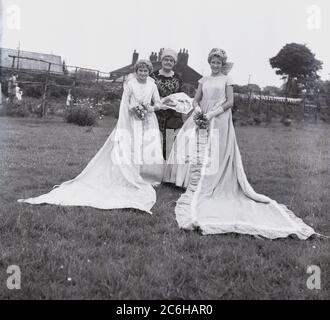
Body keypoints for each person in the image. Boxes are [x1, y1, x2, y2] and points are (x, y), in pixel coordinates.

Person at [166, 48, 316, 239]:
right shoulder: (203, 80)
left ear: (223, 64)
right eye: (213, 61)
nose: (215, 65)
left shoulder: (227, 80)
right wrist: (197, 112)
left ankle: (214, 182)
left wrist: (212, 114)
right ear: (209, 61)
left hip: (219, 118)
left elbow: (230, 102)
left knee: (215, 153)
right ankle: (187, 181)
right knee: (193, 148)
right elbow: (196, 100)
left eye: (218, 62)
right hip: (201, 117)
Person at [18, 60, 164, 214]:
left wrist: (150, 108)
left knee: (144, 148)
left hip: (147, 120)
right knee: (128, 148)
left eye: (145, 71)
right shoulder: (130, 84)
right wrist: (133, 108)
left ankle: (142, 176)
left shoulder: (152, 85)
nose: (143, 73)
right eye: (140, 70)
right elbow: (125, 104)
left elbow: (159, 103)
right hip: (131, 120)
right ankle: (127, 175)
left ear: (149, 72)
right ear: (137, 71)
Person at [149, 48, 183, 156]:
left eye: (171, 60)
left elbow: (180, 96)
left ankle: (167, 170)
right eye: (166, 59)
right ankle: (154, 170)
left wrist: (174, 102)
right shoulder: (153, 76)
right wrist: (159, 103)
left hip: (172, 115)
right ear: (161, 60)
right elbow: (148, 94)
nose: (168, 62)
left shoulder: (178, 77)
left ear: (174, 63)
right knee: (154, 143)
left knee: (169, 147)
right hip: (156, 113)